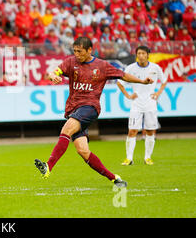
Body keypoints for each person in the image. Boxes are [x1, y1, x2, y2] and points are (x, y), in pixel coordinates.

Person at [34, 37, 154, 188]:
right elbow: (54, 72)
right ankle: (115, 179)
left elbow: (123, 75)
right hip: (74, 108)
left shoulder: (102, 65)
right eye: (75, 51)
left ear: (89, 50)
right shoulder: (71, 62)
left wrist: (142, 81)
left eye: (80, 51)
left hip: (90, 107)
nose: (77, 54)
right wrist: (53, 76)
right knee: (83, 151)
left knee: (66, 130)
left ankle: (48, 166)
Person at [116, 46, 167, 166]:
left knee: (150, 131)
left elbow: (164, 81)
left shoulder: (155, 68)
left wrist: (158, 93)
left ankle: (148, 158)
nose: (141, 55)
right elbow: (120, 82)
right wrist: (128, 96)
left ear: (148, 55)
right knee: (132, 131)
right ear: (136, 55)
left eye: (143, 53)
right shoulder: (131, 68)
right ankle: (129, 158)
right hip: (136, 104)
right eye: (139, 53)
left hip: (150, 103)